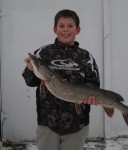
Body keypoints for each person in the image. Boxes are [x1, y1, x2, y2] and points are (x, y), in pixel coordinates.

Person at [22, 9, 100, 150]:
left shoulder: (86, 56)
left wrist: (90, 97)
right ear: (55, 29)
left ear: (78, 29)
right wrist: (30, 69)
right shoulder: (43, 53)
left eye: (70, 26)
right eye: (61, 26)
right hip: (47, 123)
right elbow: (30, 82)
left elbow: (94, 83)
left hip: (77, 124)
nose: (65, 30)